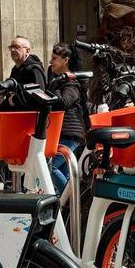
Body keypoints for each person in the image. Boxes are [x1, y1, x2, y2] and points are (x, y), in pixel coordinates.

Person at [48, 43, 86, 195]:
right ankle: (71, 206)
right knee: (66, 172)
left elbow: (63, 102)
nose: (51, 62)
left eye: (54, 58)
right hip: (61, 132)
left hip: (70, 134)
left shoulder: (72, 82)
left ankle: (71, 200)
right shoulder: (60, 80)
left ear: (65, 60)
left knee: (51, 168)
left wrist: (55, 86)